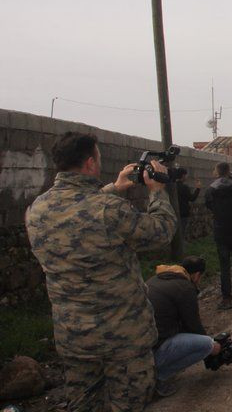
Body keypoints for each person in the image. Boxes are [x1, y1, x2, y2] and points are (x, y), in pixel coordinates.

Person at [25, 132, 177, 411]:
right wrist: (157, 191)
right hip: (123, 337)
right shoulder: (109, 210)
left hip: (73, 336)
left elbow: (80, 210)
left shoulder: (37, 209)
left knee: (84, 404)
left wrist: (115, 187)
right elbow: (161, 231)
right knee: (128, 403)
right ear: (90, 163)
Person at [146, 256, 222, 397]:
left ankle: (154, 370)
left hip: (139, 347)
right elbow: (193, 326)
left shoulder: (156, 279)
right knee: (206, 345)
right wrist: (213, 346)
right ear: (197, 275)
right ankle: (159, 376)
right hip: (153, 351)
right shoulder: (185, 287)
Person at [205, 162, 232, 310]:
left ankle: (226, 299)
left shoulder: (211, 189)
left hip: (221, 231)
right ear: (228, 171)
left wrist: (220, 212)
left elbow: (209, 205)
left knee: (224, 267)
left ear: (217, 171)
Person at [175, 168, 201, 239]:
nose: (186, 177)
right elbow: (192, 198)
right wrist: (198, 188)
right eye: (186, 175)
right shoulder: (184, 187)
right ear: (183, 176)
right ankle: (180, 248)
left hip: (173, 212)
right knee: (181, 233)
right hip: (183, 213)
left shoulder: (172, 186)